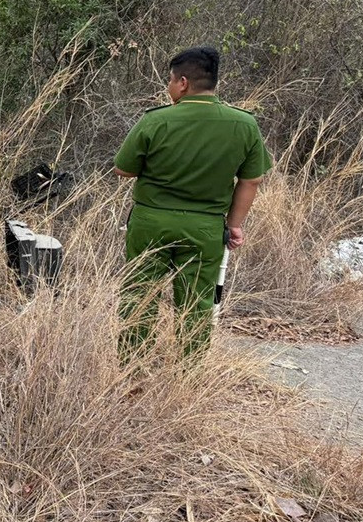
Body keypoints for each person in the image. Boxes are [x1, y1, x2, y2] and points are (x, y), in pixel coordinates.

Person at [113, 46, 271, 356]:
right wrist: (234, 225)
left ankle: (131, 371)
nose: (169, 87)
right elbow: (251, 179)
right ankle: (189, 375)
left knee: (138, 296)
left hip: (150, 222)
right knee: (197, 303)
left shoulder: (156, 120)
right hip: (206, 228)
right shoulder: (244, 124)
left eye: (170, 81)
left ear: (183, 82)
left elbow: (124, 168)